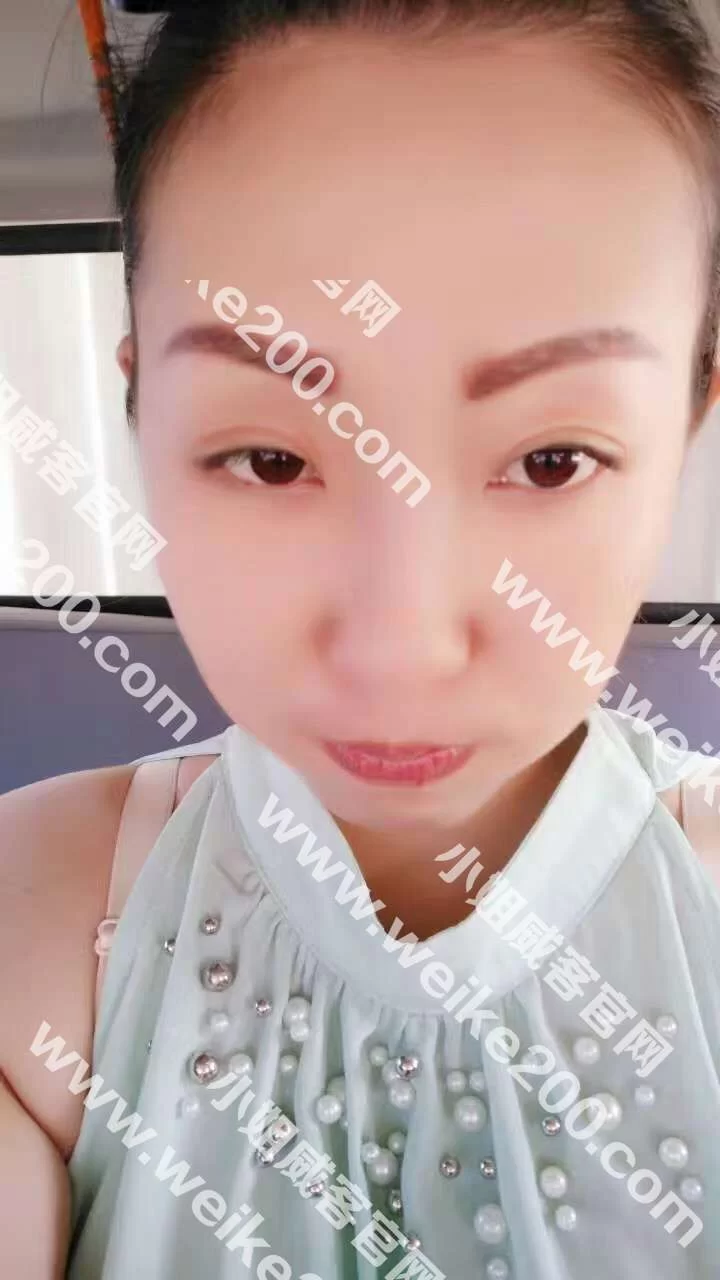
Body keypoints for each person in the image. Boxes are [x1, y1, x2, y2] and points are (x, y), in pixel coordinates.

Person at [3, 0, 720, 1275]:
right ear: (142, 407)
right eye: (272, 458)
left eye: (551, 459)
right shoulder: (37, 917)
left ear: (688, 423)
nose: (399, 647)